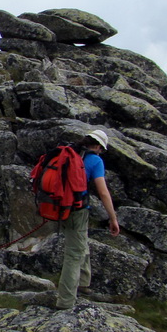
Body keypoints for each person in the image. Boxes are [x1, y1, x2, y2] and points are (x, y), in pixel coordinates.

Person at [55, 129, 120, 309]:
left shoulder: (70, 153)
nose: (101, 152)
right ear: (98, 146)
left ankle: (83, 283)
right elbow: (103, 192)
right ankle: (65, 301)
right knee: (74, 254)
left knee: (81, 241)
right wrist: (112, 218)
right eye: (102, 149)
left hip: (61, 206)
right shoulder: (95, 160)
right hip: (77, 210)